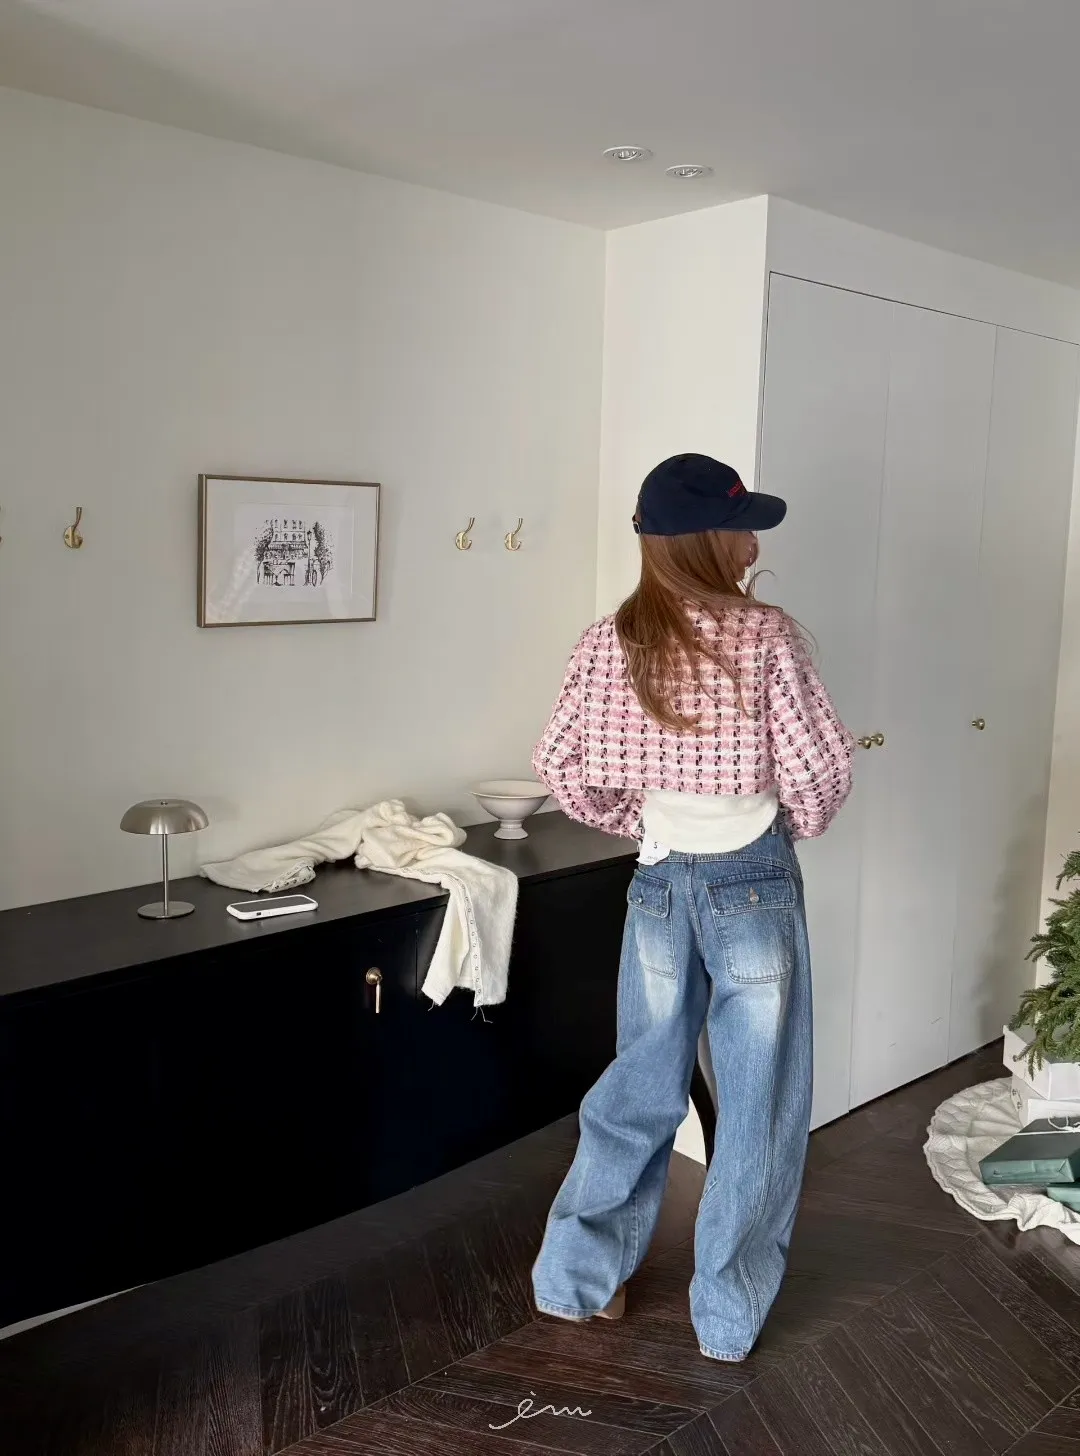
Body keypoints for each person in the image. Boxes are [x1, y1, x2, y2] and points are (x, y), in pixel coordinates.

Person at [530, 452, 853, 1363]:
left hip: (659, 886)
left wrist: (639, 821)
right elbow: (823, 769)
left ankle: (577, 1283)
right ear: (709, 538)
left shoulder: (609, 640)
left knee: (638, 1084)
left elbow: (558, 764)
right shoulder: (766, 637)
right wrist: (787, 828)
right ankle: (726, 1318)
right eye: (745, 527)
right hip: (753, 884)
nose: (755, 544)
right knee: (760, 1103)